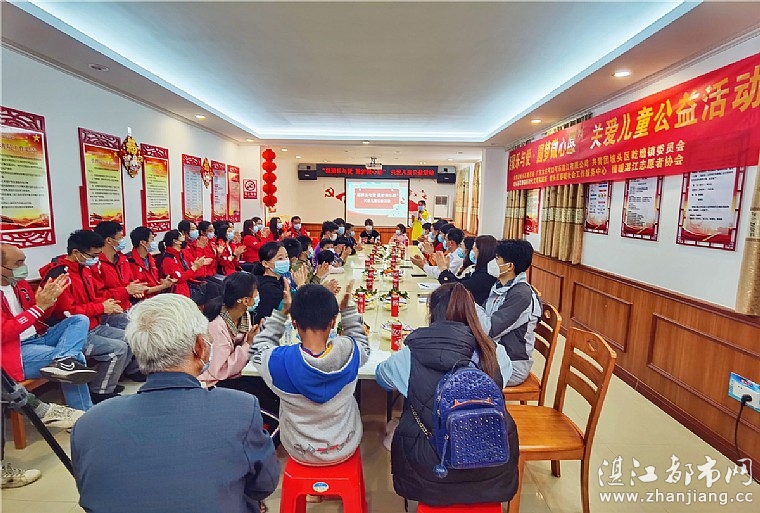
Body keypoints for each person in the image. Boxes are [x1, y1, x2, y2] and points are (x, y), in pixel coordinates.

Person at [71, 294, 280, 513]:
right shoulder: (239, 409)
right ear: (200, 346)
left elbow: (90, 494)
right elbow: (263, 484)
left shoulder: (89, 423)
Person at [375, 283, 518, 506]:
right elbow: (501, 384)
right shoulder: (493, 352)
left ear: (433, 314)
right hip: (490, 466)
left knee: (405, 417)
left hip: (429, 470)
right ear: (473, 314)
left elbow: (382, 378)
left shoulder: (411, 353)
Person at [249, 283, 370, 465]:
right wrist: (348, 312)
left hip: (300, 451)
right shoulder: (349, 351)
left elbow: (257, 348)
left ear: (294, 323)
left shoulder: (279, 361)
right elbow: (363, 345)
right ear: (333, 322)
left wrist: (282, 313)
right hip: (345, 445)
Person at [38, 230, 131, 403]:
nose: (96, 259)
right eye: (93, 255)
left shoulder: (84, 269)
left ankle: (105, 381)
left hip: (93, 325)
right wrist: (101, 307)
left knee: (131, 337)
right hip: (72, 334)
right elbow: (67, 313)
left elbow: (94, 296)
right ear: (76, 252)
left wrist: (108, 304)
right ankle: (100, 392)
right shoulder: (60, 275)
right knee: (118, 349)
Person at [1, 243, 94, 411]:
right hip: (14, 350)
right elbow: (4, 332)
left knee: (79, 320)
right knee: (76, 360)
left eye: (24, 261)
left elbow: (40, 317)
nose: (23, 267)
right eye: (18, 263)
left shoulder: (19, 285)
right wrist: (38, 307)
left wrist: (49, 302)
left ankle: (62, 360)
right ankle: (84, 413)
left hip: (38, 336)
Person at [198, 272, 281, 443]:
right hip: (217, 382)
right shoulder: (217, 325)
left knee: (274, 387)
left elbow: (246, 346)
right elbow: (220, 370)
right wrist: (248, 344)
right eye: (255, 292)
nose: (258, 296)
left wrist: (257, 337)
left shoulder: (244, 316)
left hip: (238, 372)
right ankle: (265, 441)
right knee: (268, 404)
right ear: (244, 300)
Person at [476, 239, 542, 386]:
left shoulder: (521, 295)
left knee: (458, 371)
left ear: (510, 266)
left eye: (497, 258)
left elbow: (490, 330)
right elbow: (484, 314)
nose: (493, 262)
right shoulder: (501, 285)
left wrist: (469, 304)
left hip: (511, 364)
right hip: (494, 353)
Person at [92, 221, 149, 311]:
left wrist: (136, 289)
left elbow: (131, 282)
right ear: (109, 240)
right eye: (120, 238)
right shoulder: (95, 264)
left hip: (129, 305)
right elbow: (98, 294)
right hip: (110, 310)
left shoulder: (123, 259)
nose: (123, 241)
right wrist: (126, 291)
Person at [436, 235, 497, 306]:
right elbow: (460, 281)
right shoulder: (479, 270)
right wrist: (446, 270)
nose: (472, 252)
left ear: (481, 252)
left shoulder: (485, 274)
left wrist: (444, 270)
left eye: (474, 249)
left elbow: (459, 287)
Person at [158, 230, 214, 305]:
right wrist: (194, 267)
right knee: (213, 290)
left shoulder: (179, 254)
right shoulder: (168, 259)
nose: (184, 237)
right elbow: (180, 278)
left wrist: (196, 265)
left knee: (215, 288)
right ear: (175, 241)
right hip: (180, 292)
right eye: (181, 236)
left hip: (189, 285)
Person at [127, 226, 175, 298]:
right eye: (152, 239)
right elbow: (140, 289)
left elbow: (155, 279)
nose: (154, 242)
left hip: (156, 297)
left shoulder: (150, 258)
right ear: (143, 243)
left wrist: (163, 281)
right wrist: (163, 286)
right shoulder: (130, 261)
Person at [250, 242, 288, 324]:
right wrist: (300, 285)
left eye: (286, 257)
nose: (286, 261)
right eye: (280, 259)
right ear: (265, 264)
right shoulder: (268, 288)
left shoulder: (280, 280)